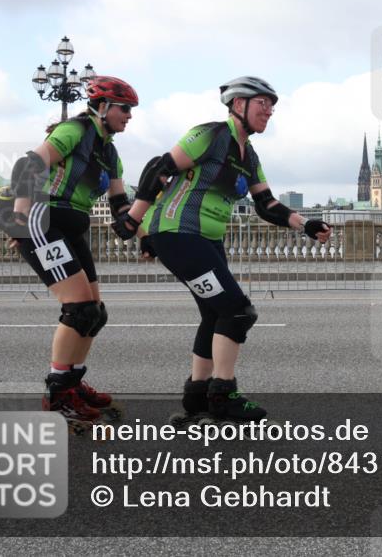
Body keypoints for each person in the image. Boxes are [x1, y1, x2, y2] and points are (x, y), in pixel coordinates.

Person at [117, 76, 330, 422]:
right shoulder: (210, 135)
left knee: (215, 313)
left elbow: (266, 204)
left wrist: (305, 224)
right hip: (178, 233)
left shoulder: (249, 155)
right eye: (263, 103)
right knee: (238, 311)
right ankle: (223, 394)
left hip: (207, 240)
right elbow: (160, 168)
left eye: (272, 106)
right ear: (238, 104)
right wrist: (133, 221)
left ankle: (197, 398)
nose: (269, 111)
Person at [6, 76, 139, 425]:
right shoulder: (75, 130)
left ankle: (73, 382)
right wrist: (19, 217)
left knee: (95, 313)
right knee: (79, 309)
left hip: (74, 224)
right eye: (125, 109)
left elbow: (120, 204)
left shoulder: (110, 152)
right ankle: (58, 394)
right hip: (44, 218)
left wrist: (145, 231)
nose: (129, 116)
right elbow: (30, 165)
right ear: (103, 106)